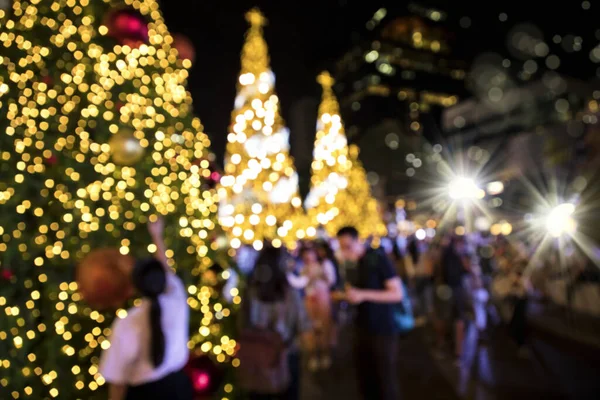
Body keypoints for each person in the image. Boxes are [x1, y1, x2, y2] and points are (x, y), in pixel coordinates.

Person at [99, 218, 192, 400]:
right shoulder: (177, 299)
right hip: (179, 389)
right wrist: (157, 235)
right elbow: (166, 271)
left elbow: (117, 381)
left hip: (144, 393)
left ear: (135, 288)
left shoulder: (127, 323)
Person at [335, 226, 404, 400]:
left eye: (348, 246)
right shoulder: (354, 265)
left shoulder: (378, 259)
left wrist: (362, 294)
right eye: (342, 247)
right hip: (362, 328)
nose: (345, 252)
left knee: (385, 382)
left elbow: (397, 294)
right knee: (366, 379)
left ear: (358, 240)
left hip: (383, 330)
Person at [242, 244, 311, 400]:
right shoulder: (290, 294)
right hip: (285, 355)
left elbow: (243, 323)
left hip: (255, 354)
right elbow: (303, 324)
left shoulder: (251, 292)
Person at [288, 244, 336, 371]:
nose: (308, 257)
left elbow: (331, 280)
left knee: (325, 326)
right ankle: (313, 355)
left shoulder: (324, 265)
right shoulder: (302, 268)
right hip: (309, 300)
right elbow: (299, 283)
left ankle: (326, 354)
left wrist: (320, 276)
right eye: (306, 255)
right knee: (310, 328)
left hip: (323, 299)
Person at [440, 234, 471, 362]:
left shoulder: (448, 254)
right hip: (453, 290)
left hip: (451, 290)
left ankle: (455, 350)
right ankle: (456, 350)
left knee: (453, 319)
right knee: (455, 319)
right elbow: (466, 270)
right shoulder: (455, 255)